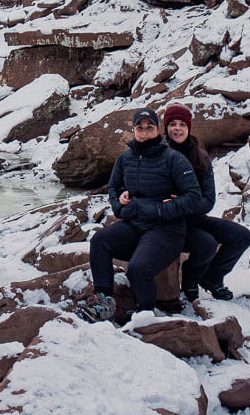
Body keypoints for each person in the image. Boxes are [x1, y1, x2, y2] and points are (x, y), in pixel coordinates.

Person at [80, 107, 202, 322]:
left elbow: (193, 196)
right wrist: (120, 206)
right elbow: (114, 189)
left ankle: (144, 314)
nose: (144, 132)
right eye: (140, 128)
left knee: (138, 268)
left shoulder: (173, 158)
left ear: (158, 130)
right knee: (100, 240)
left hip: (167, 229)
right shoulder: (125, 158)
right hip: (135, 224)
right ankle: (104, 301)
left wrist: (161, 210)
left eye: (150, 127)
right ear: (134, 130)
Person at [162, 103, 250, 301]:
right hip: (171, 222)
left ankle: (212, 277)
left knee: (242, 236)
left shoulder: (200, 156)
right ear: (166, 128)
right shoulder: (158, 154)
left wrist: (186, 203)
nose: (177, 128)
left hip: (195, 217)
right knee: (207, 244)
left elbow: (208, 199)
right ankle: (190, 279)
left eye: (182, 125)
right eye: (173, 124)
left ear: (189, 128)